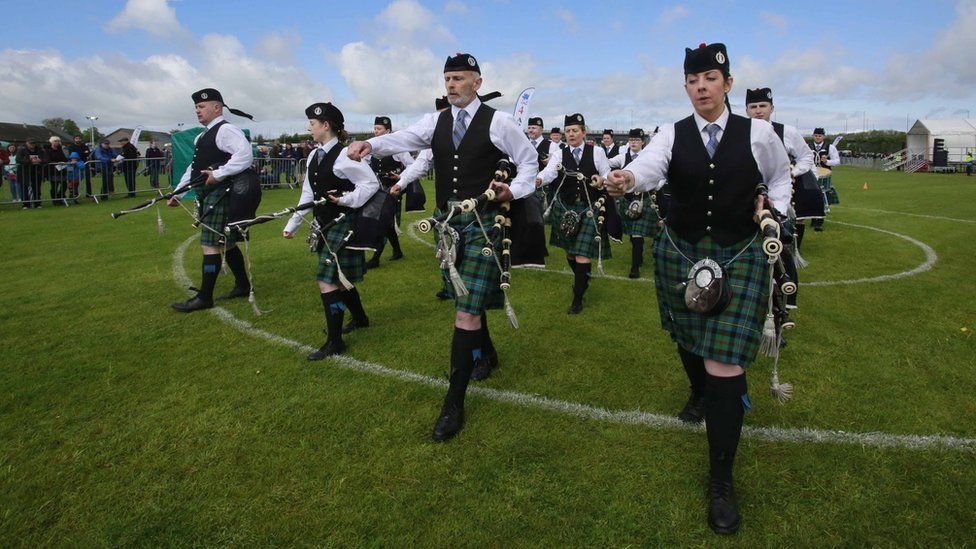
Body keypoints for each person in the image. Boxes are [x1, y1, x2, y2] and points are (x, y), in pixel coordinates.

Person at [604, 42, 791, 535]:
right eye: (692, 80)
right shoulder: (672, 132)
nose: (700, 87)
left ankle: (721, 480)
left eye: (710, 78)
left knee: (724, 361)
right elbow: (651, 168)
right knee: (687, 338)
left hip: (739, 250)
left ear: (728, 84)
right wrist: (628, 176)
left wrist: (775, 210)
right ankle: (698, 392)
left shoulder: (760, 133)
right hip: (682, 249)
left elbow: (781, 179)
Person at [346, 53, 538, 441]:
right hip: (448, 224)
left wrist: (512, 190)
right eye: (447, 78)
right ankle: (488, 355)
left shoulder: (499, 122)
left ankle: (454, 401)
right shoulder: (436, 121)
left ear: (477, 82)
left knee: (466, 312)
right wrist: (370, 143)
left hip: (483, 222)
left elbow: (529, 162)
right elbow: (404, 138)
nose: (451, 85)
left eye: (459, 78)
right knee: (463, 299)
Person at [283, 102, 379, 358]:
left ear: (326, 126)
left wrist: (346, 200)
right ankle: (360, 318)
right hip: (323, 224)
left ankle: (335, 342)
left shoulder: (344, 154)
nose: (309, 128)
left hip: (344, 224)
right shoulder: (314, 155)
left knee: (326, 280)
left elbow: (370, 184)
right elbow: (308, 192)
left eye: (312, 124)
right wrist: (293, 224)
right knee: (338, 278)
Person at [167, 88, 255, 313]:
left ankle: (205, 297)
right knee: (227, 242)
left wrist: (220, 173)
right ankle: (243, 285)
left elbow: (245, 156)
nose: (198, 110)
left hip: (222, 193)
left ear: (217, 107)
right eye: (196, 107)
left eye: (202, 106)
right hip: (210, 194)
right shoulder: (202, 135)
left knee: (210, 244)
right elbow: (194, 168)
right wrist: (178, 192)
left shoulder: (227, 130)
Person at [744, 87, 814, 310]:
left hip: (779, 202)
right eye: (753, 107)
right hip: (748, 201)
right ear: (746, 110)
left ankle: (786, 300)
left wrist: (792, 172)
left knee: (780, 250)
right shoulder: (741, 131)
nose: (758, 111)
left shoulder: (788, 132)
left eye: (762, 106)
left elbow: (806, 157)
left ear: (771, 108)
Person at [537, 113, 613, 314]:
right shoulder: (560, 154)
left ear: (583, 132)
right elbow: (550, 173)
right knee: (570, 253)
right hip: (566, 207)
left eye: (575, 131)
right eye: (568, 131)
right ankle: (584, 277)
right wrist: (537, 180)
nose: (570, 134)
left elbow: (606, 173)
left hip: (589, 208)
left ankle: (577, 297)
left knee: (582, 254)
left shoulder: (596, 152)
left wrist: (601, 178)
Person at [365, 115, 415, 268]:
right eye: (375, 128)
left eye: (379, 129)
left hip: (394, 190)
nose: (376, 131)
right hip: (378, 190)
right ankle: (397, 251)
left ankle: (375, 258)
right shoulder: (371, 149)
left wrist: (401, 177)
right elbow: (363, 165)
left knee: (383, 222)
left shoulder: (397, 148)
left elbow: (413, 165)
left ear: (388, 130)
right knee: (387, 224)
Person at [608, 128, 657, 278]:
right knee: (633, 234)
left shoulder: (649, 157)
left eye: (636, 140)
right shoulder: (622, 157)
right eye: (631, 140)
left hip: (644, 199)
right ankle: (639, 256)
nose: (633, 143)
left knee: (637, 234)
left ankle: (634, 268)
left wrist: (656, 185)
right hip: (627, 199)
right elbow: (606, 163)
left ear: (642, 142)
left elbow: (659, 174)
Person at [809, 127, 838, 232]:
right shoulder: (807, 146)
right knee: (810, 197)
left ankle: (818, 222)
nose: (817, 137)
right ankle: (812, 218)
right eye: (816, 135)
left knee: (821, 199)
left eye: (820, 136)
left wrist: (827, 162)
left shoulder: (830, 147)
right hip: (810, 175)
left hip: (824, 176)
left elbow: (837, 161)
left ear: (823, 136)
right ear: (813, 136)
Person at [16, 139, 47, 209]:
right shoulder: (21, 150)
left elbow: (46, 159)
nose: (32, 145)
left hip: (36, 172)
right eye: (30, 143)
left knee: (37, 188)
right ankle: (26, 204)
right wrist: (31, 161)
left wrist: (41, 160)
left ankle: (37, 204)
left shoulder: (40, 150)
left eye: (33, 143)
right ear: (27, 143)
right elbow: (18, 159)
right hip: (24, 172)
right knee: (24, 188)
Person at [46, 136, 68, 206]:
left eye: (58, 141)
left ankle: (59, 198)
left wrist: (63, 162)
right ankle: (55, 200)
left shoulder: (60, 150)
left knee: (64, 185)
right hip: (53, 170)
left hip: (62, 170)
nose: (57, 142)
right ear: (52, 142)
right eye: (55, 141)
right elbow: (48, 160)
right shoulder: (48, 150)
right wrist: (56, 163)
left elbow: (65, 158)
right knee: (54, 186)